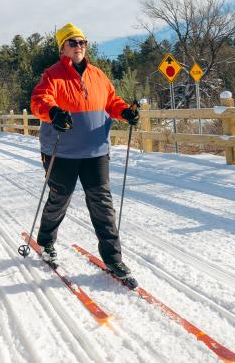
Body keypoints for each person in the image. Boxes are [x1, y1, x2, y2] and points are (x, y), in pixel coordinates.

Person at [30, 22, 140, 287]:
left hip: (96, 151)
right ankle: (46, 241)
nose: (79, 47)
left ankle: (113, 259)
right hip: (62, 151)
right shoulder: (52, 75)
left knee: (102, 205)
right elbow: (39, 101)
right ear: (63, 48)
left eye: (82, 42)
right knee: (60, 199)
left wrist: (124, 111)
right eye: (73, 43)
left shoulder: (98, 75)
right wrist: (54, 112)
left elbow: (111, 101)